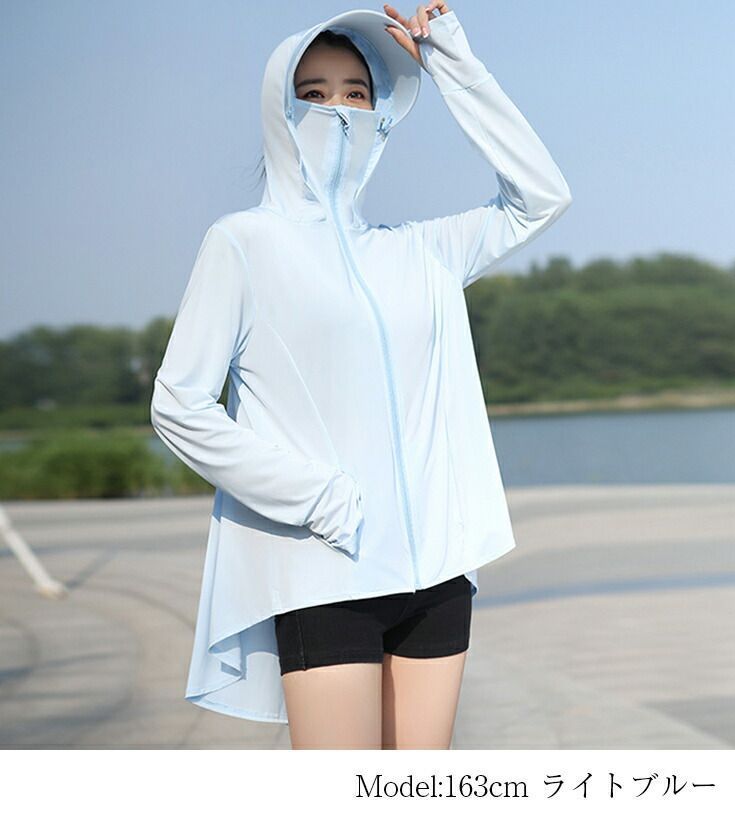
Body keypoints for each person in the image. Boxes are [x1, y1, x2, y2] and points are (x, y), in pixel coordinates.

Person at [150, 1, 572, 750]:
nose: (338, 110)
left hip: (437, 575)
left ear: (382, 113)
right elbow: (179, 405)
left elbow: (541, 196)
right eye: (313, 93)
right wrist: (319, 498)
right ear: (279, 110)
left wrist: (451, 64)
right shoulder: (243, 244)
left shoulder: (419, 252)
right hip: (323, 570)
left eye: (355, 92)